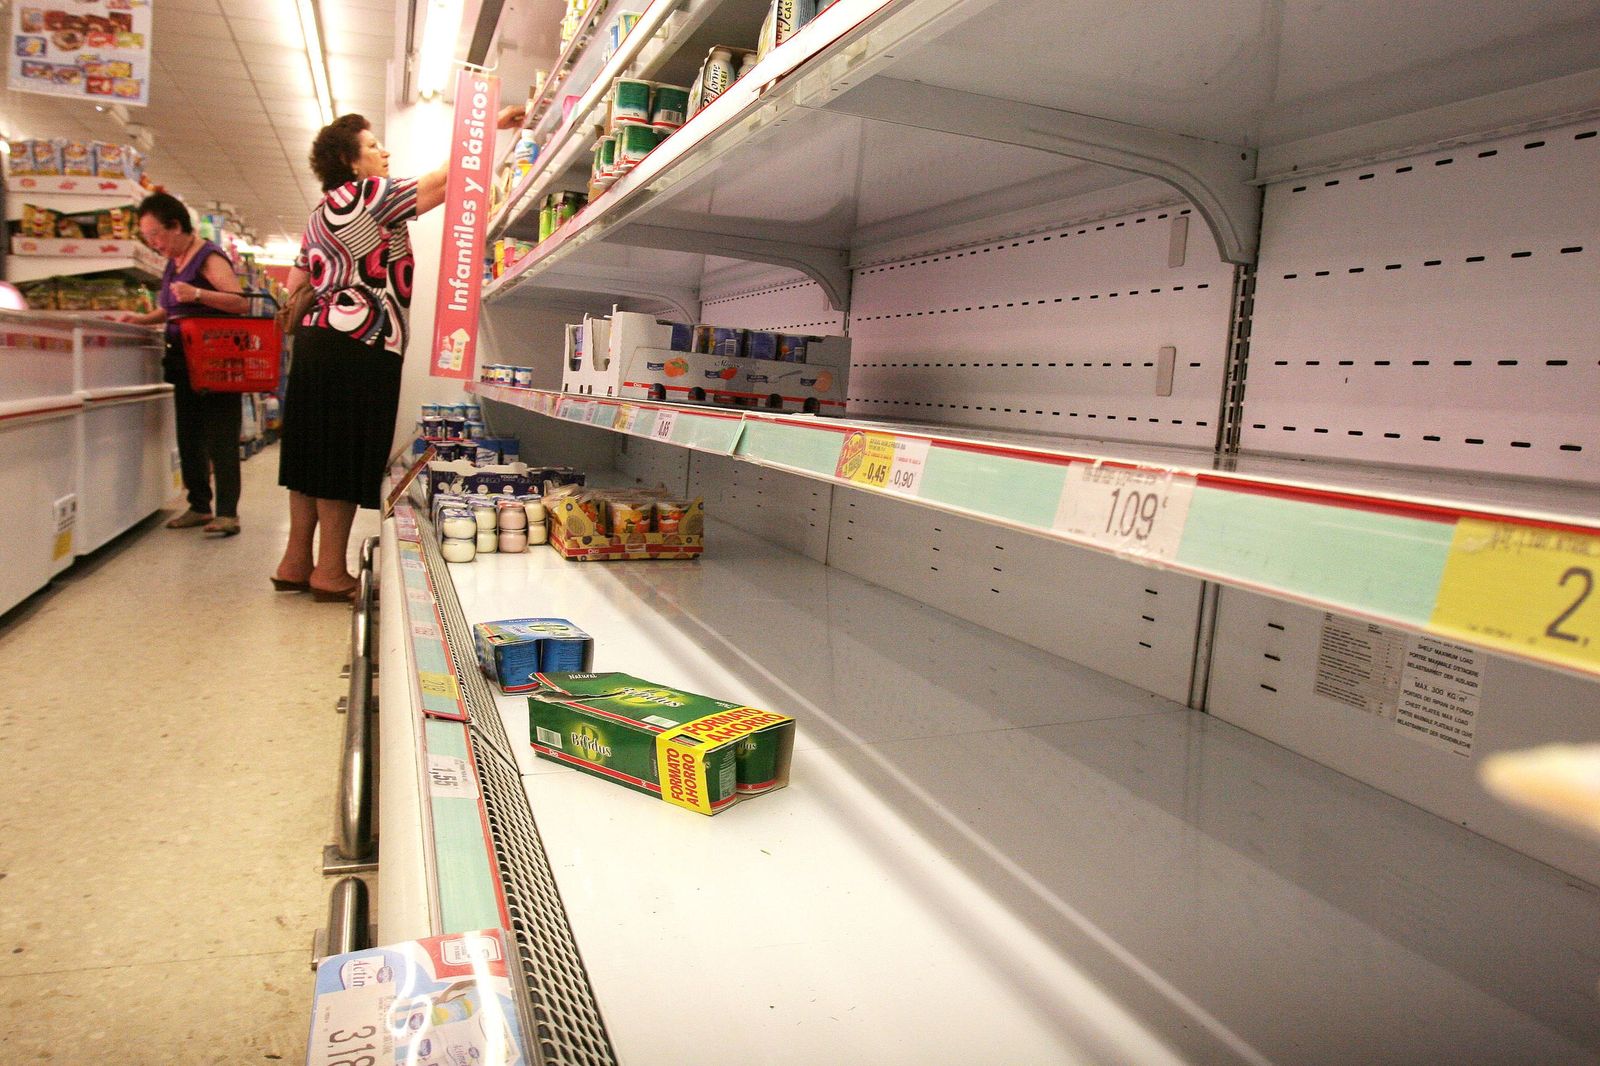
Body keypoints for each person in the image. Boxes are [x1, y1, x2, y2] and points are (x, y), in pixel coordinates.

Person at [274, 108, 523, 601]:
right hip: (358, 342)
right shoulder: (368, 196)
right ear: (349, 161)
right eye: (373, 146)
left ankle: (295, 562)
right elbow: (442, 184)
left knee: (309, 455)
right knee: (342, 456)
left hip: (315, 340)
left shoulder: (319, 212)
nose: (384, 153)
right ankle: (330, 572)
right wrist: (486, 125)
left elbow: (295, 284)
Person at [129, 192, 251, 536]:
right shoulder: (174, 261)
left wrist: (198, 294)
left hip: (215, 359)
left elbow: (239, 303)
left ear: (176, 226)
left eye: (157, 235)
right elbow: (170, 308)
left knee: (221, 436)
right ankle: (199, 505)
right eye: (148, 237)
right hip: (182, 357)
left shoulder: (209, 257)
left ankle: (227, 513)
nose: (154, 243)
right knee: (189, 435)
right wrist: (140, 320)